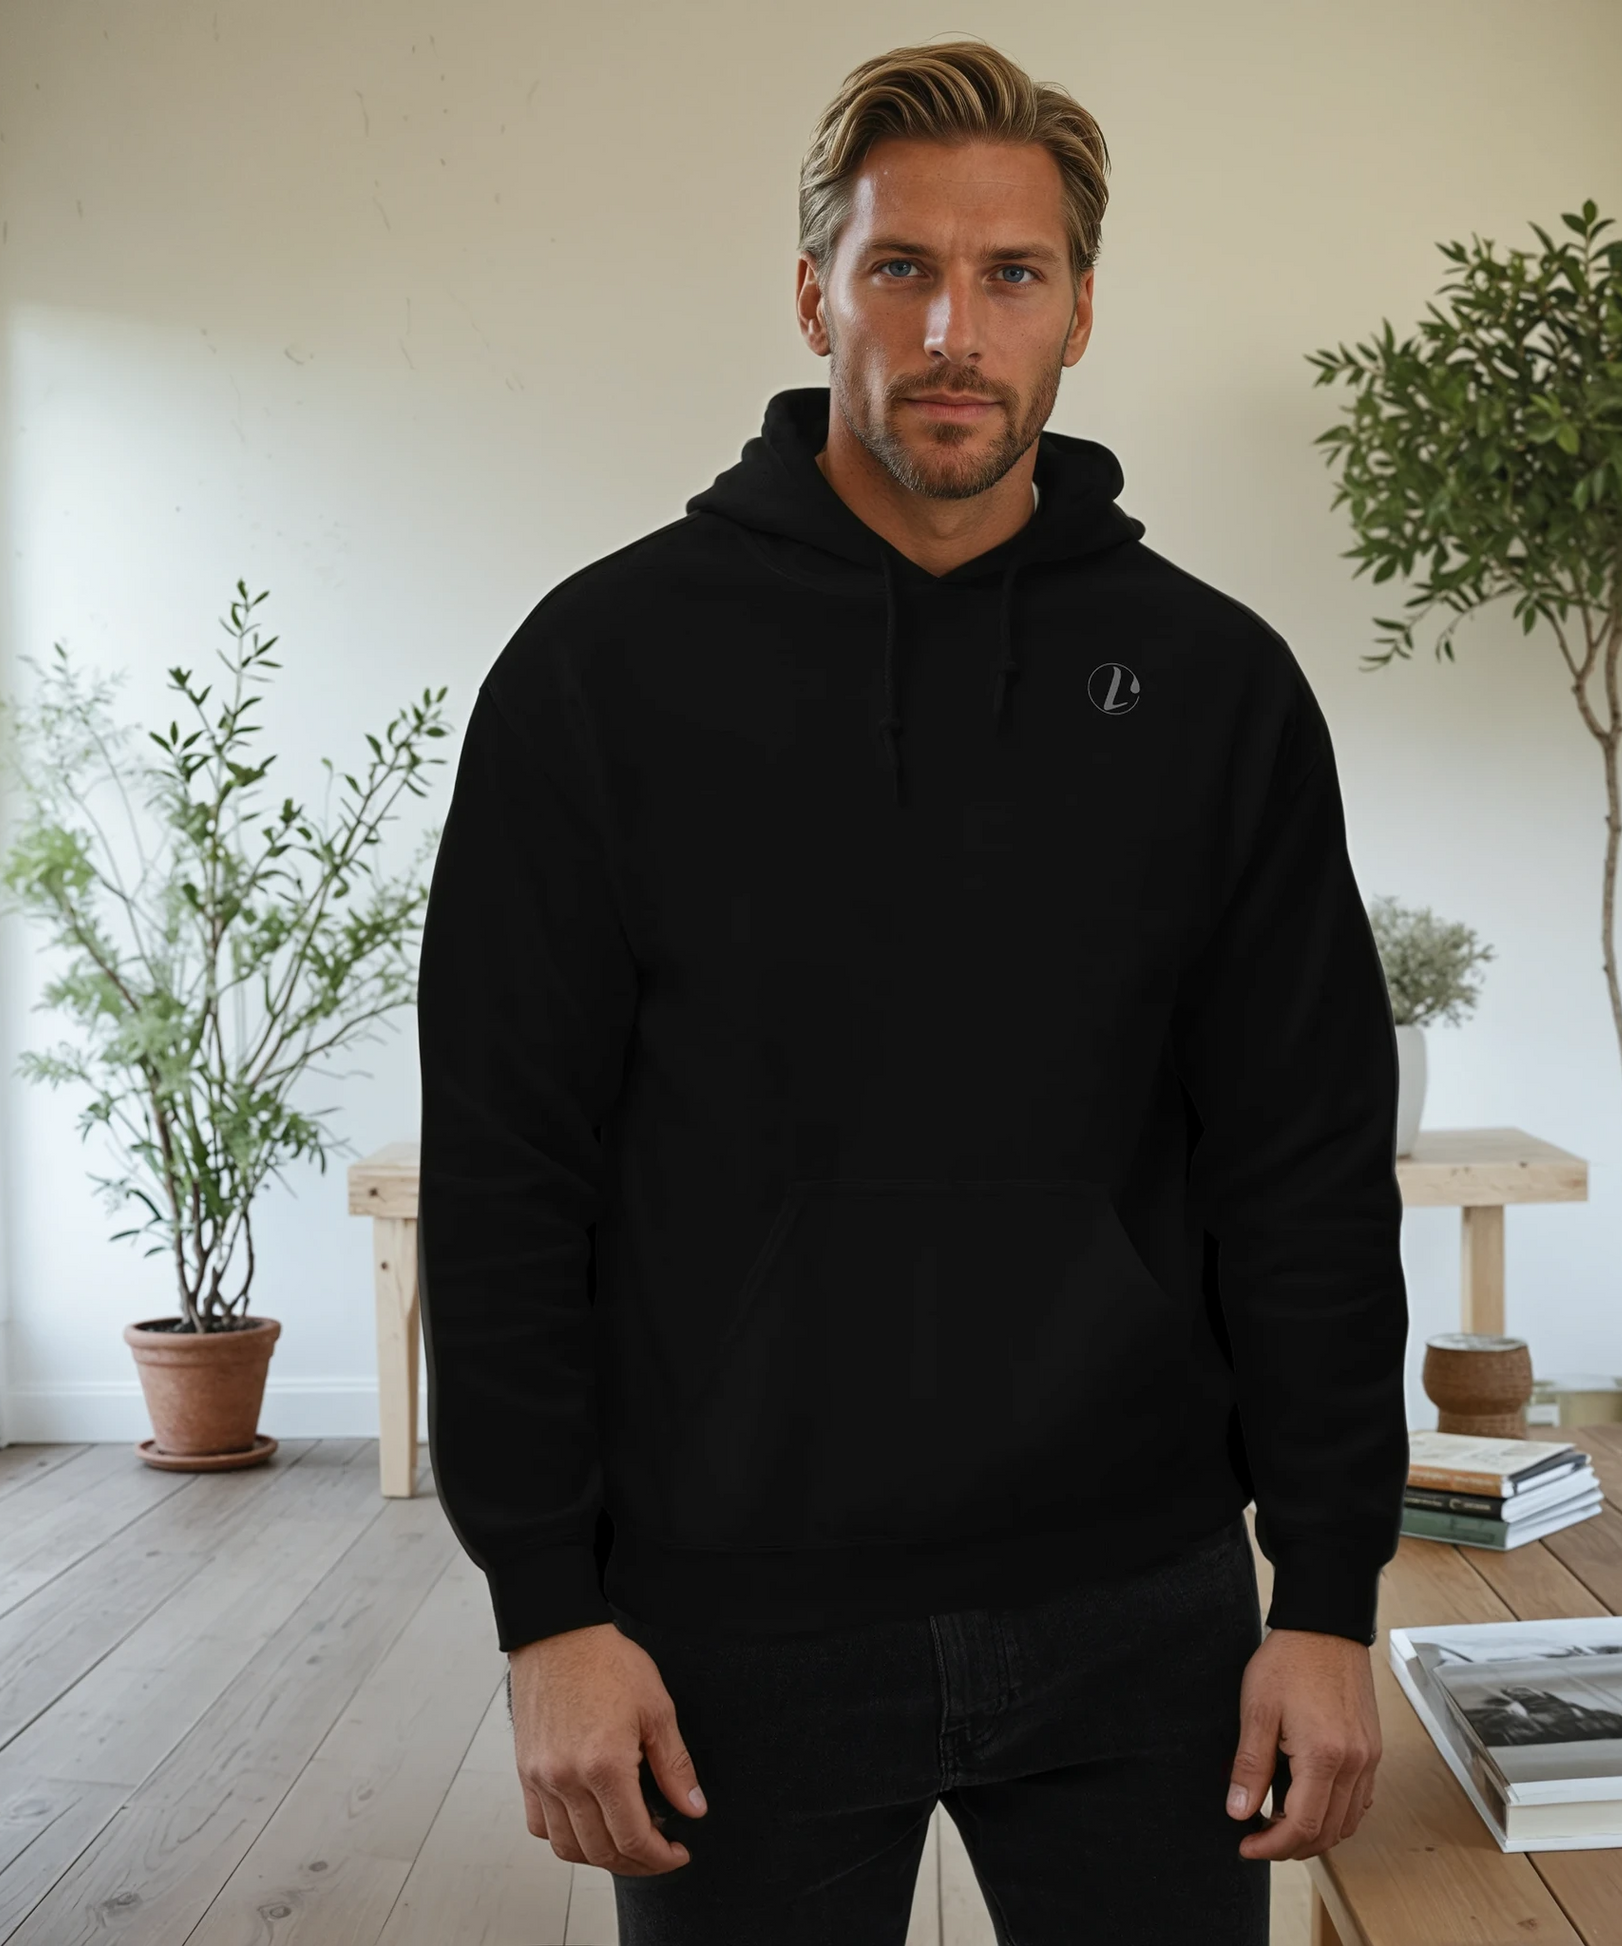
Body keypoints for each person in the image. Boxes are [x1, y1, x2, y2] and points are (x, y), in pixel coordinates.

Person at [416, 37, 1408, 1945]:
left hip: (1145, 1609)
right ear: (815, 294)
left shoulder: (1215, 690)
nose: (955, 329)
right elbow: (510, 1169)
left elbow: (1300, 1158)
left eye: (1011, 275)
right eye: (900, 270)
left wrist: (1329, 1593)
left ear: (1080, 310)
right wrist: (545, 1604)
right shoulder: (598, 672)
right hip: (731, 1629)